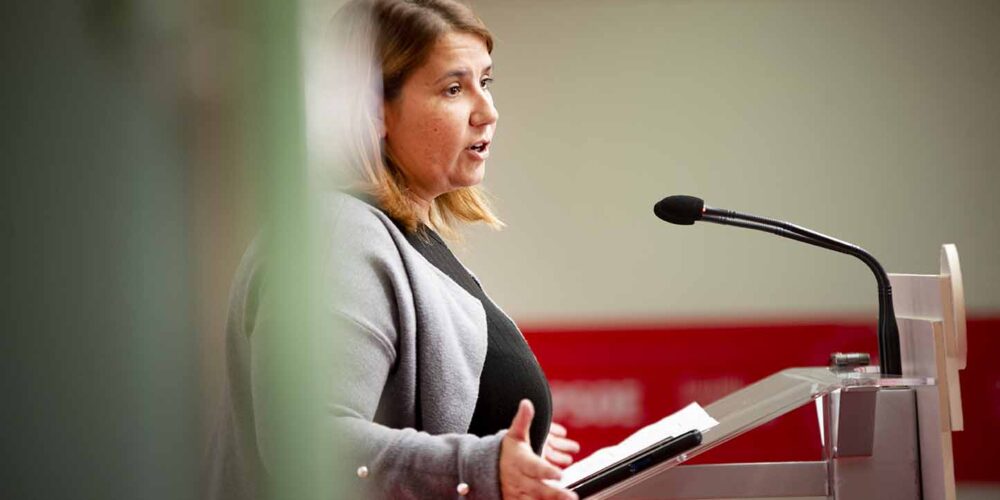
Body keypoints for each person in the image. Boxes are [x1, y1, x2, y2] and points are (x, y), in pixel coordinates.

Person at [205, 0, 580, 498]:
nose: (487, 112)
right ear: (374, 111)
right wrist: (476, 463)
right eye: (453, 88)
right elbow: (307, 442)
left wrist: (501, 445)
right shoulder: (339, 233)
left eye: (485, 83)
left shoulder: (396, 235)